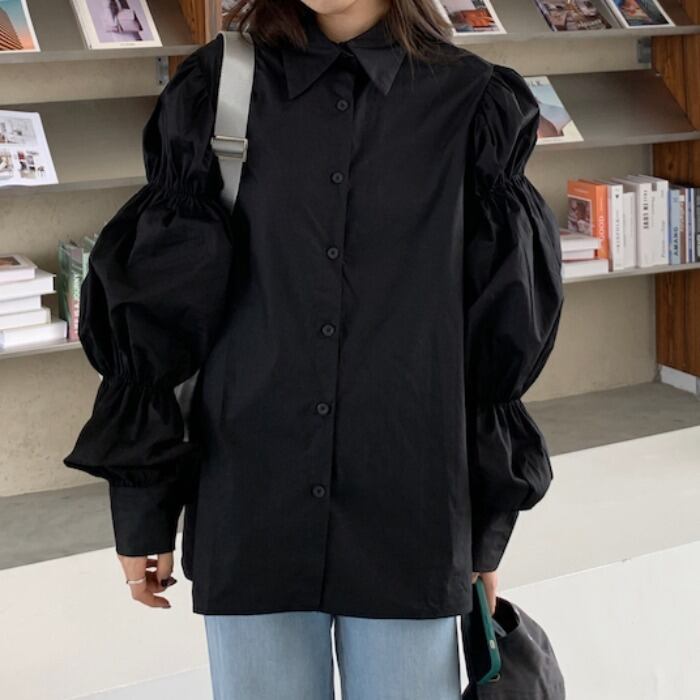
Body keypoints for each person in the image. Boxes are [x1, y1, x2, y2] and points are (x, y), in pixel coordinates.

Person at [63, 0, 565, 697]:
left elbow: (497, 332)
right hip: (249, 499)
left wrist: (483, 527)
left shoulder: (473, 102)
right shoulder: (218, 88)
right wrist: (143, 507)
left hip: (410, 511)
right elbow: (158, 305)